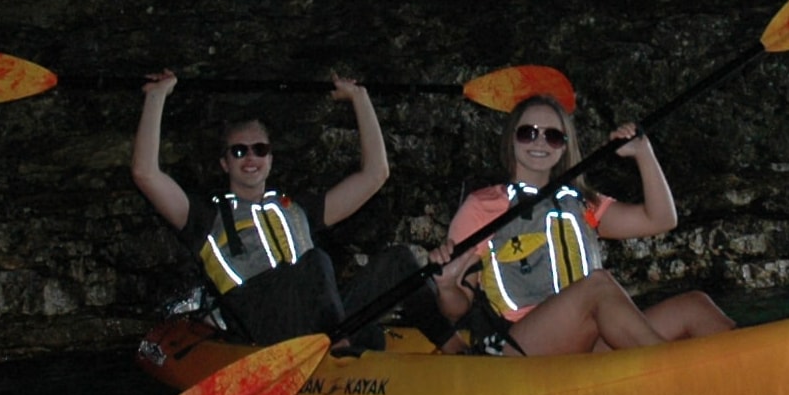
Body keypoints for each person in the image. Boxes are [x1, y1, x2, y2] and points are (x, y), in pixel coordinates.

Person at [130, 70, 449, 348]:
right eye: (239, 151)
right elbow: (146, 173)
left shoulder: (297, 209)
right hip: (267, 322)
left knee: (401, 261)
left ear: (270, 158)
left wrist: (359, 98)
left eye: (260, 149)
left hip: (320, 318)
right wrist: (157, 96)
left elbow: (375, 174)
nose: (251, 158)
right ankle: (337, 350)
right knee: (315, 261)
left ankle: (451, 345)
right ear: (225, 163)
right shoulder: (205, 218)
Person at [430, 93, 734, 356]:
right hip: (520, 344)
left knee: (695, 306)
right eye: (528, 133)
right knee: (598, 285)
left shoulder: (580, 203)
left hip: (584, 337)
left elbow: (661, 219)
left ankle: (753, 373)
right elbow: (456, 309)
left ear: (564, 147)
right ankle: (671, 372)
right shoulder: (483, 207)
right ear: (511, 139)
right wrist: (446, 287)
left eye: (552, 135)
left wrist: (644, 153)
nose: (540, 142)